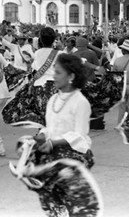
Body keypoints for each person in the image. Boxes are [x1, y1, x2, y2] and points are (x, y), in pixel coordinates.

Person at [30, 53, 101, 216]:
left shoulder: (80, 102)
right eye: (54, 72)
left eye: (58, 72)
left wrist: (54, 143)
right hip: (53, 155)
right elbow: (50, 128)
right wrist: (42, 135)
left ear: (71, 76)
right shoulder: (53, 99)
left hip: (73, 157)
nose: (53, 76)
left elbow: (80, 136)